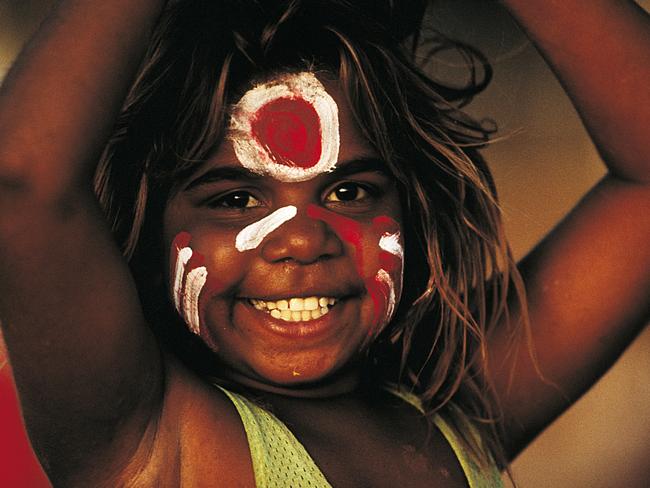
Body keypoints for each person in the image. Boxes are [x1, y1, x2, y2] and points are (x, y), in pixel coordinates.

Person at [0, 0, 648, 486]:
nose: (304, 241)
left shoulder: (459, 402)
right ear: (152, 232)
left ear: (411, 212)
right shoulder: (151, 441)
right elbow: (26, 182)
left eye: (349, 193)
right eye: (235, 199)